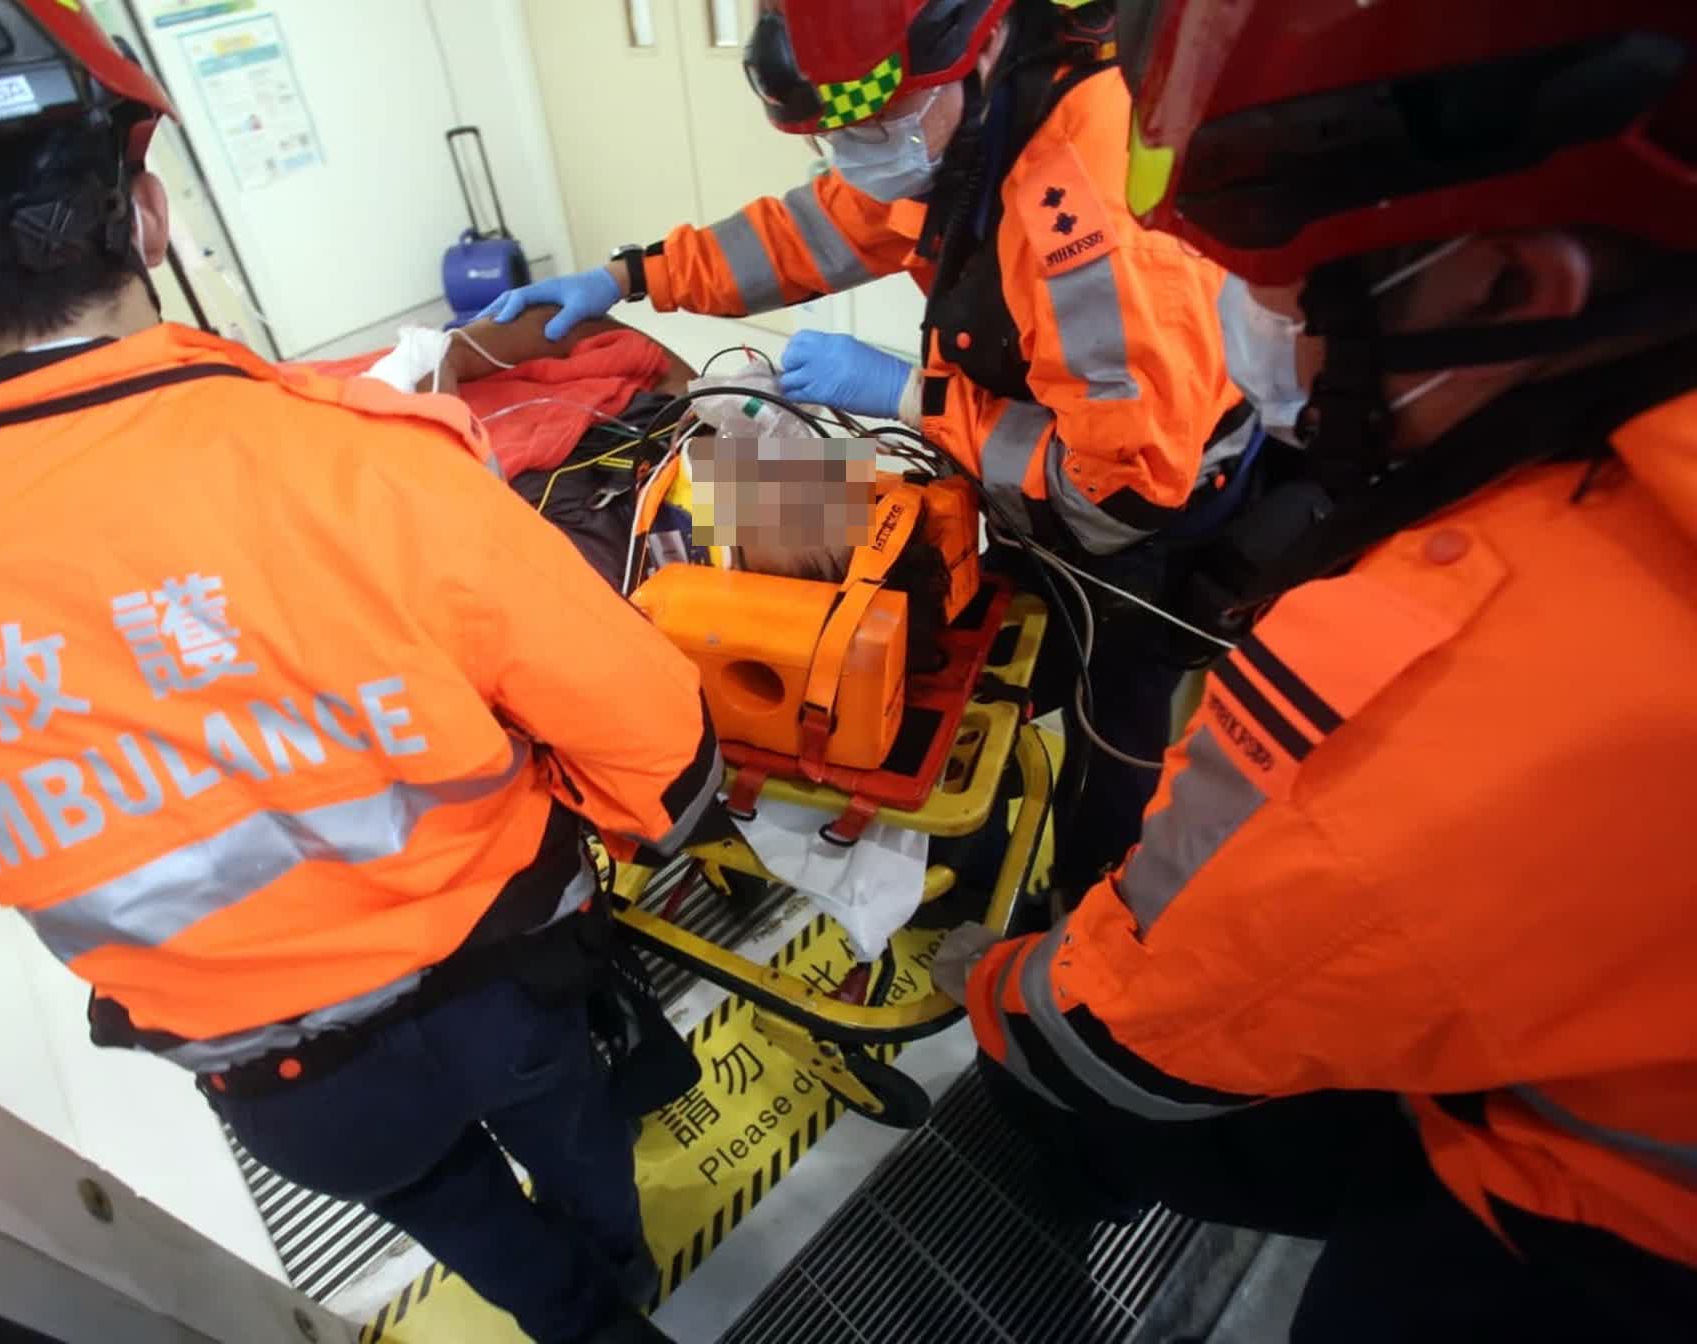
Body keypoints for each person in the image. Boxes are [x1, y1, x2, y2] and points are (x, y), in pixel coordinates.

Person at [0, 5, 724, 1341]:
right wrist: (639, 822)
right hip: (511, 993)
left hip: (289, 1089)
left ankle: (588, 1327)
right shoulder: (369, 458)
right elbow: (654, 741)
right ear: (153, 213)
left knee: (455, 1213)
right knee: (582, 1149)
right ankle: (622, 1270)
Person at [930, 1, 1697, 1338]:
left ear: (1509, 283)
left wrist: (994, 992)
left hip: (1605, 1239)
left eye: (1302, 301)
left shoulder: (1421, 693)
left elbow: (1123, 1026)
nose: (1266, 340)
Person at [483, 0, 1254, 893]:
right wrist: (631, 274)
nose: (856, 150)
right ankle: (974, 866)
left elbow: (1118, 492)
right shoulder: (968, 132)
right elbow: (812, 232)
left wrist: (913, 397)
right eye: (835, 131)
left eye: (877, 123)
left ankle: (1080, 923)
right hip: (1038, 477)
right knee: (964, 668)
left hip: (1145, 520)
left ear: (984, 50)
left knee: (1109, 733)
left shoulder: (1087, 214)